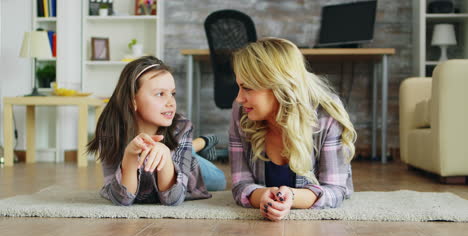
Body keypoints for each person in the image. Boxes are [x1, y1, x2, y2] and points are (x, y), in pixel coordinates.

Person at [229, 38, 357, 221]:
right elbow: (240, 184)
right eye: (239, 87)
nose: (239, 98)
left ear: (278, 86)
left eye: (247, 88)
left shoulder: (327, 113)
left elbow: (335, 189)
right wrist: (262, 197)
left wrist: (292, 197)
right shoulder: (241, 112)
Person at [87, 56, 226, 206]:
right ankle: (191, 147)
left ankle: (193, 147)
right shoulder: (110, 131)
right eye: (160, 94)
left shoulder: (181, 127)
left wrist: (166, 157)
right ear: (132, 101)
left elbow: (172, 199)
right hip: (173, 147)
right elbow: (122, 199)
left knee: (219, 181)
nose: (170, 102)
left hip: (186, 161)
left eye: (172, 93)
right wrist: (129, 156)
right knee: (182, 150)